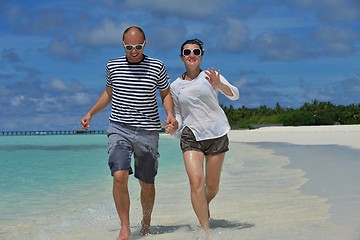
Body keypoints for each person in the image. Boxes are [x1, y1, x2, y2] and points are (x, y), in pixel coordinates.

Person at [80, 26, 178, 240]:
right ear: (123, 45)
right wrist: (90, 113)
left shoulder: (157, 66)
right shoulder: (113, 66)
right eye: (130, 47)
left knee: (147, 182)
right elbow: (108, 93)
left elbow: (165, 93)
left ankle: (146, 222)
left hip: (148, 131)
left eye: (139, 46)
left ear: (145, 43)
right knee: (119, 175)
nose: (134, 51)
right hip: (119, 128)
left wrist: (170, 114)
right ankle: (125, 227)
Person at [166, 39, 239, 231]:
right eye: (187, 52)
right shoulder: (174, 86)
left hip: (216, 133)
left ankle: (202, 208)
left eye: (196, 51)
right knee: (196, 181)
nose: (191, 55)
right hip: (191, 135)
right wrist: (175, 125)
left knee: (212, 187)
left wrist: (219, 84)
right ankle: (206, 230)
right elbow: (180, 115)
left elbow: (234, 95)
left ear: (201, 55)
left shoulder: (210, 75)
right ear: (181, 56)